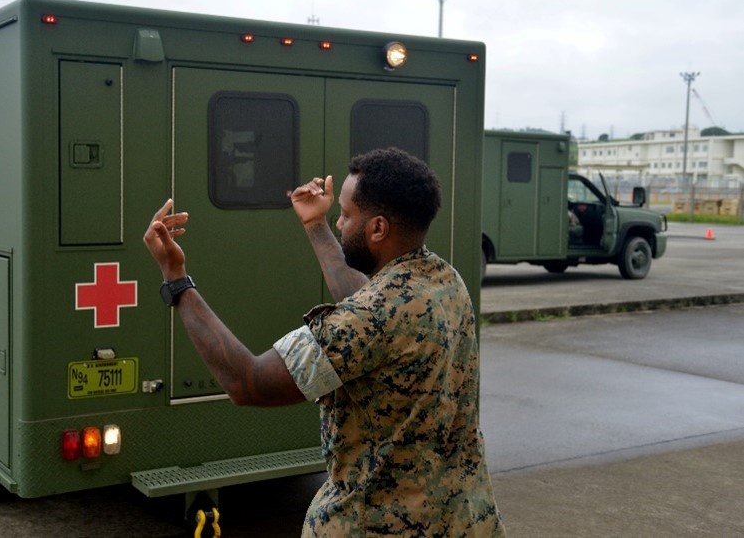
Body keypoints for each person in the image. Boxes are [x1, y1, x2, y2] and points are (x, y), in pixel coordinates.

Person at [144, 147, 505, 537]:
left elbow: (248, 381)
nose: (339, 222)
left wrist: (176, 279)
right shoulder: (442, 280)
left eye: (346, 215)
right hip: (464, 519)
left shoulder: (369, 318)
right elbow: (366, 298)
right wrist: (315, 224)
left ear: (378, 229)